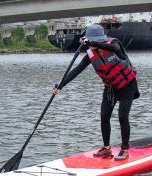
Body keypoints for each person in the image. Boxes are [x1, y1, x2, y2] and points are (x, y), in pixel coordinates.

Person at [52, 24, 139, 160]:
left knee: (122, 116)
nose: (90, 46)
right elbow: (76, 70)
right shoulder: (90, 55)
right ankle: (106, 149)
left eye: (93, 42)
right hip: (111, 88)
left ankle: (125, 149)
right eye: (89, 42)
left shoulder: (113, 44)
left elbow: (114, 48)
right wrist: (61, 84)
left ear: (100, 40)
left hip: (128, 85)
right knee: (104, 117)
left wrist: (92, 42)